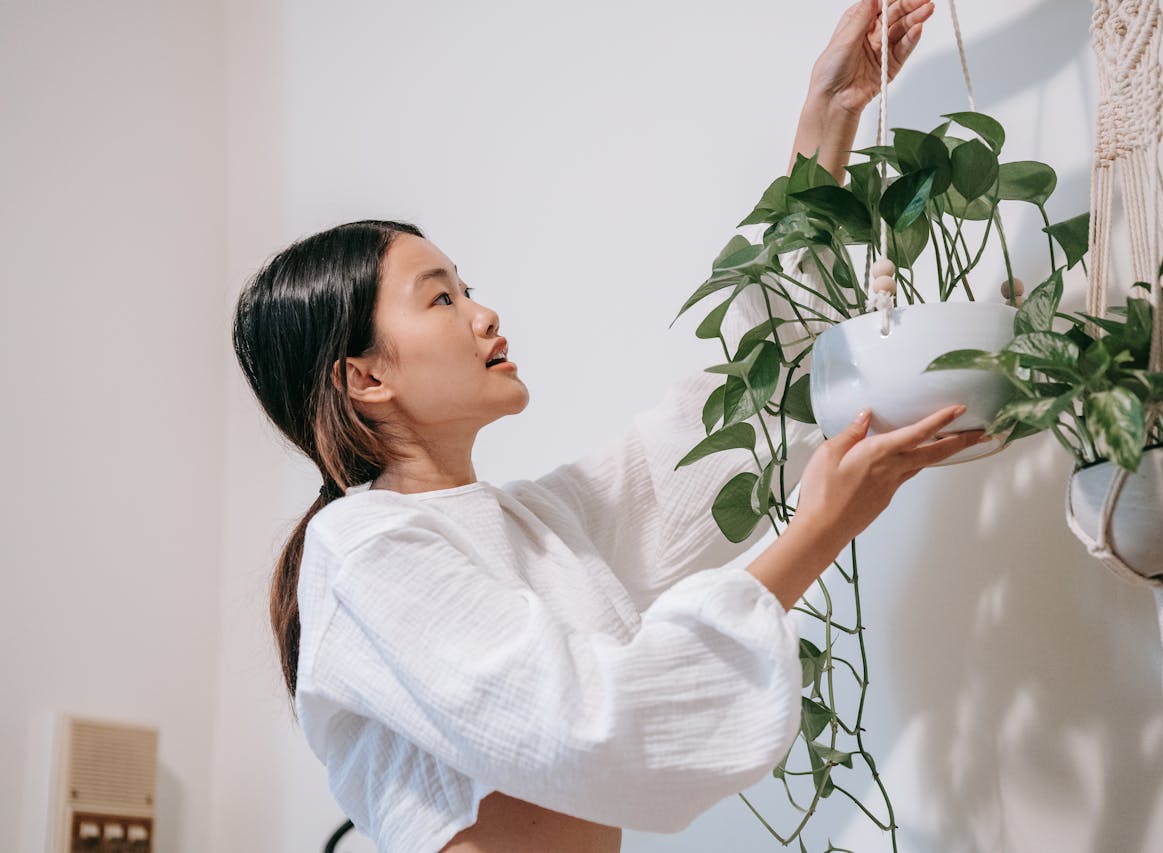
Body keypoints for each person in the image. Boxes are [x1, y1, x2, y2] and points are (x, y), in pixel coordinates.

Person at [231, 1, 977, 851]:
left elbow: (737, 398)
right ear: (363, 376)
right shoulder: (361, 549)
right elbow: (585, 727)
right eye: (441, 297)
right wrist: (819, 529)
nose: (484, 314)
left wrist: (829, 115)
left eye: (466, 287)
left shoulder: (542, 529)